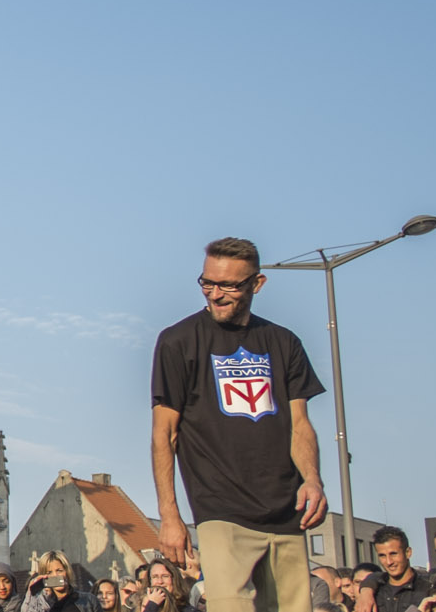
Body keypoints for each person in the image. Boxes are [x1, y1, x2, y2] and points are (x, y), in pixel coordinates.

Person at [152, 238, 327, 612]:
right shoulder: (178, 341)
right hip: (221, 511)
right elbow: (164, 435)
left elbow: (300, 425)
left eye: (229, 285)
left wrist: (312, 478)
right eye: (208, 283)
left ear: (256, 284)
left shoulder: (284, 343)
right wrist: (170, 515)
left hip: (286, 511)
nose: (216, 294)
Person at [351, 526, 432, 612]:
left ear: (408, 553)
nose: (389, 562)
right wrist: (365, 592)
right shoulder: (375, 590)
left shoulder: (427, 589)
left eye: (393, 554)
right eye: (382, 556)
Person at [21, 552, 97, 612]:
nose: (55, 575)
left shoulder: (89, 600)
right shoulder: (43, 603)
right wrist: (32, 596)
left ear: (67, 572)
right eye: (49, 572)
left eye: (59, 571)